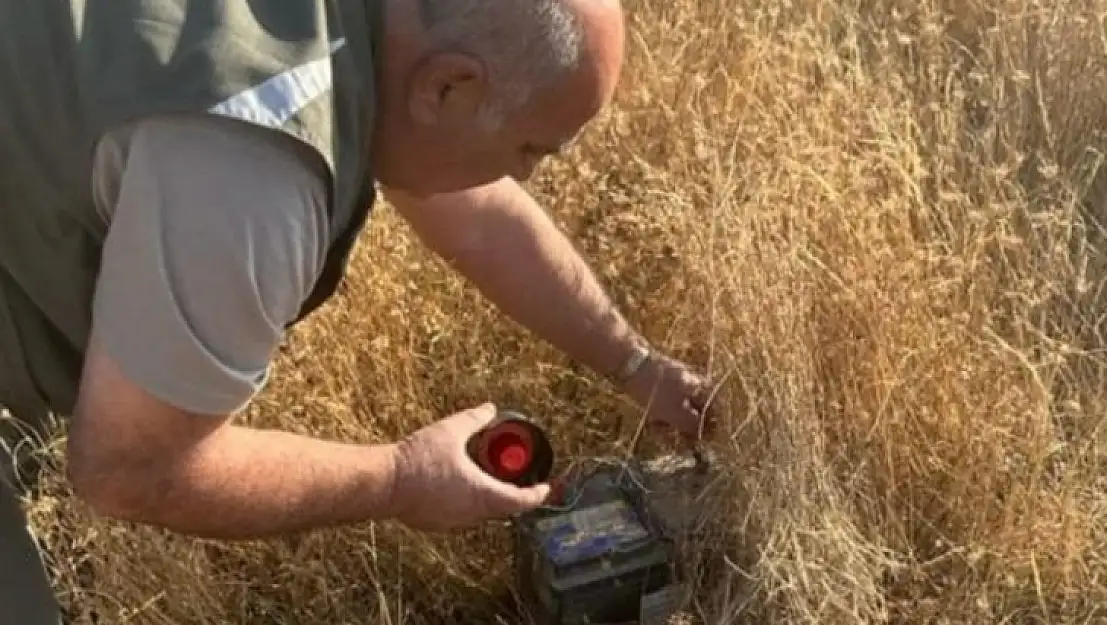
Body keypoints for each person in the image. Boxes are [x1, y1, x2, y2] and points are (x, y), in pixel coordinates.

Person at [0, 0, 715, 622]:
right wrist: (401, 478)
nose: (523, 175)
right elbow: (126, 465)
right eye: (528, 149)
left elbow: (473, 213)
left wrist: (634, 362)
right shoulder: (251, 171)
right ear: (448, 86)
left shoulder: (383, 37)